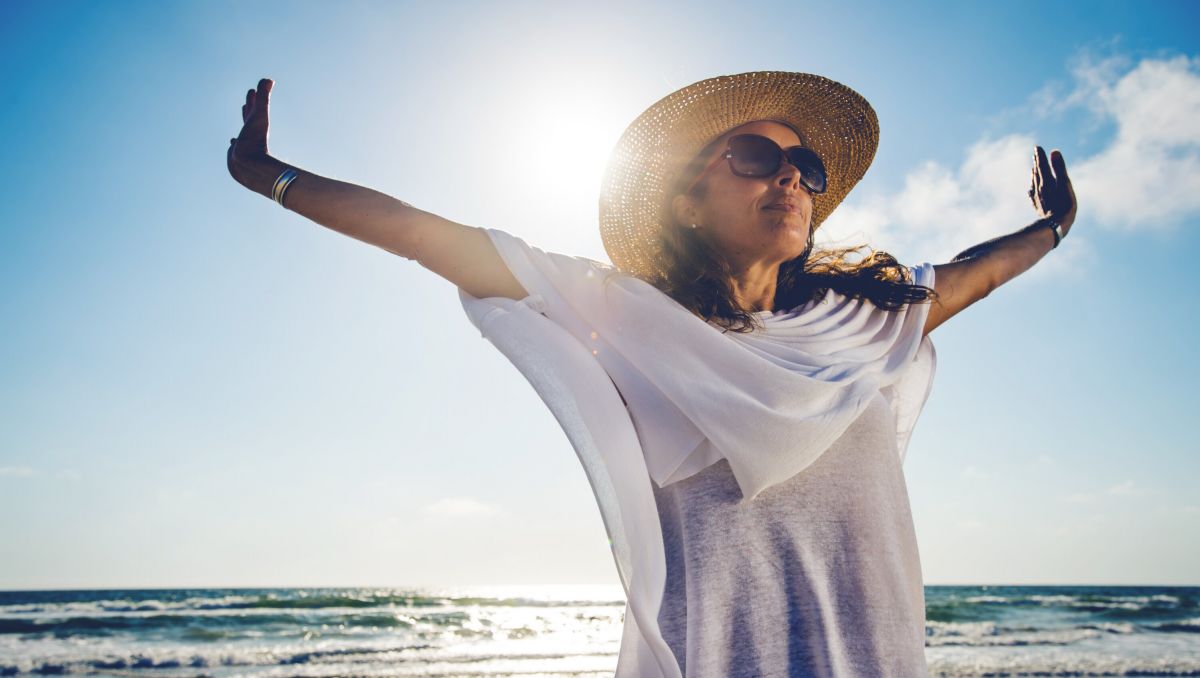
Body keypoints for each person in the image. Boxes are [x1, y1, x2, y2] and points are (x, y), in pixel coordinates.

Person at [227, 72, 1077, 677]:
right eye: (752, 154)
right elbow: (424, 233)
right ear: (685, 201)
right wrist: (269, 175)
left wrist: (1055, 226)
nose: (789, 175)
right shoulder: (625, 318)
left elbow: (979, 269)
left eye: (806, 168)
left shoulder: (865, 323)